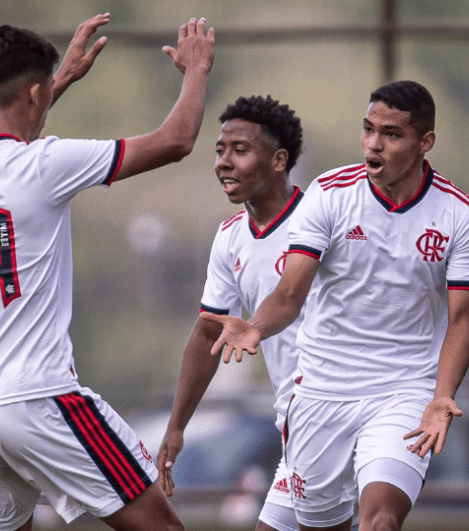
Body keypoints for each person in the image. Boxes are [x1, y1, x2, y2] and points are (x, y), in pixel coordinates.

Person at [0, 14, 213, 531]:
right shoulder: (46, 164)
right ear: (35, 94)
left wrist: (55, 85)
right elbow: (176, 140)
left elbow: (14, 125)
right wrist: (196, 71)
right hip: (40, 400)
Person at [203, 80, 469, 531]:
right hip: (320, 392)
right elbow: (289, 294)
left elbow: (461, 320)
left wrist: (441, 395)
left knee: (380, 521)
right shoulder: (330, 194)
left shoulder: (459, 214)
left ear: (425, 143)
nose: (373, 143)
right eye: (368, 129)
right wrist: (256, 327)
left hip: (403, 390)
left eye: (391, 134)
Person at [155, 95, 321, 531]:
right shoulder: (230, 238)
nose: (223, 163)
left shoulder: (321, 219)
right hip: (295, 424)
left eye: (240, 150)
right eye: (220, 150)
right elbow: (208, 334)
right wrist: (176, 427)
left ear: (279, 160)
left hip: (339, 411)